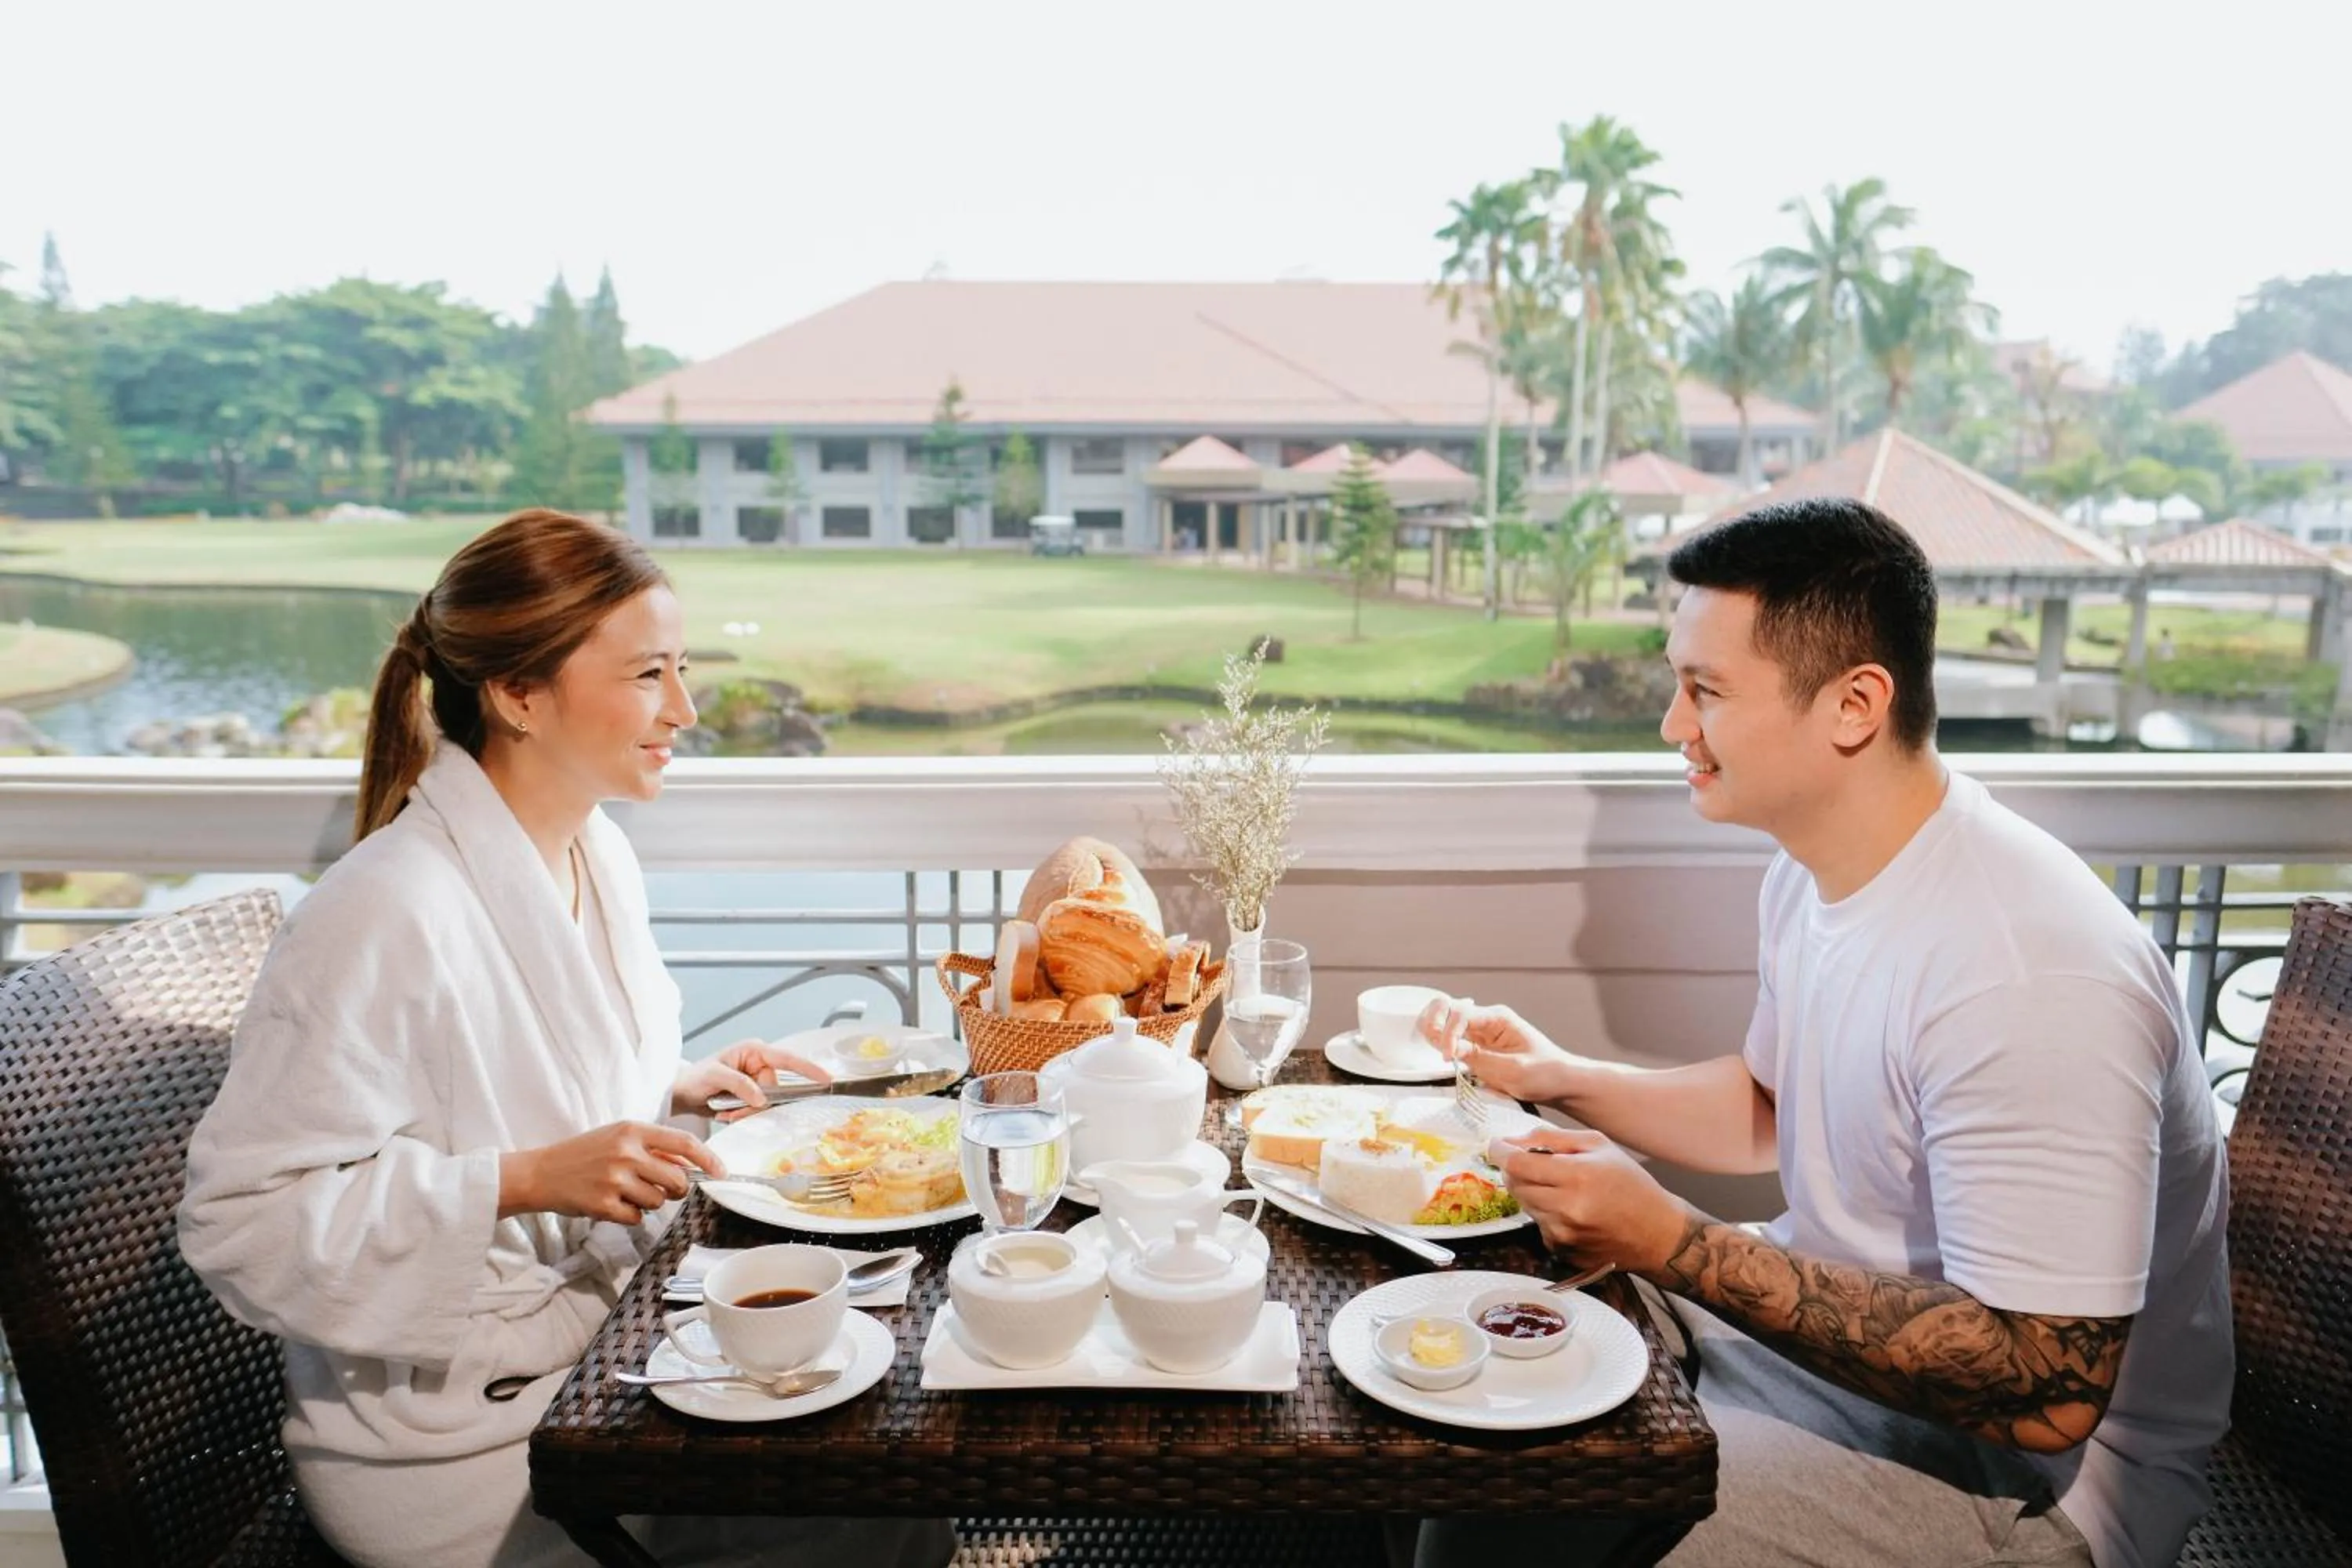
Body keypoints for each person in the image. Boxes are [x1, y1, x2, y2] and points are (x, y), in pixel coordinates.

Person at [1414, 498, 2230, 1568]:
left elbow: (2044, 1387)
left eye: (1706, 690)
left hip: (2030, 1482)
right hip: (1822, 1355)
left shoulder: (2029, 969)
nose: (1673, 725)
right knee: (1479, 1428)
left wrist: (1672, 1241)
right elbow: (1772, 1108)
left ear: (1853, 705)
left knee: (1550, 1483)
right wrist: (1559, 1075)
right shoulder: (1814, 870)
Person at [179, 509, 955, 1568]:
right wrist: (526, 1181)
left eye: (681, 670)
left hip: (594, 1352)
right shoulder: (380, 911)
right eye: (647, 675)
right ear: (518, 694)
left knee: (893, 1479)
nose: (683, 709)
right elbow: (243, 1224)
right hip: (456, 1449)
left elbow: (510, 1084)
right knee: (877, 1519)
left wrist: (678, 1089)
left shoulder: (593, 850)